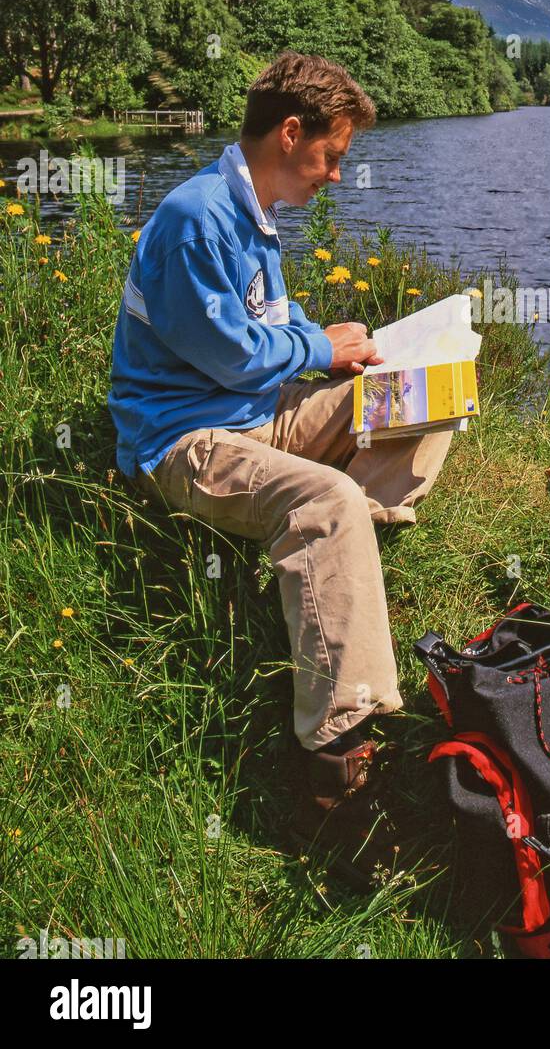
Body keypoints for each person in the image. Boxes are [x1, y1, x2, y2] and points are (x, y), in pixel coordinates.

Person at [108, 51, 453, 880]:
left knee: (424, 395)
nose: (336, 174)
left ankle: (343, 544)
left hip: (257, 419)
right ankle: (335, 784)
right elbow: (228, 356)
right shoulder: (196, 216)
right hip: (186, 443)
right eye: (332, 154)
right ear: (289, 132)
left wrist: (345, 351)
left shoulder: (250, 212)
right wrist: (314, 345)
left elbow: (275, 325)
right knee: (330, 498)